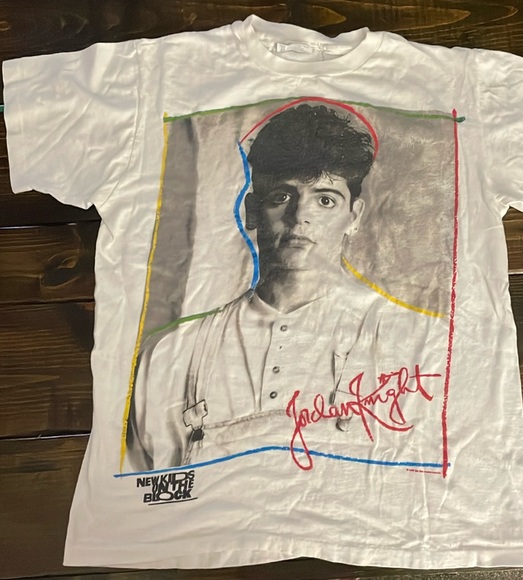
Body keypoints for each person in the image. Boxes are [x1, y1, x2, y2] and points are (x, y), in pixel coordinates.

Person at [126, 103, 441, 471]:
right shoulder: (171, 357)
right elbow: (143, 493)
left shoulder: (417, 343)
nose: (300, 216)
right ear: (252, 211)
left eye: (325, 200)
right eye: (282, 196)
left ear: (353, 217)